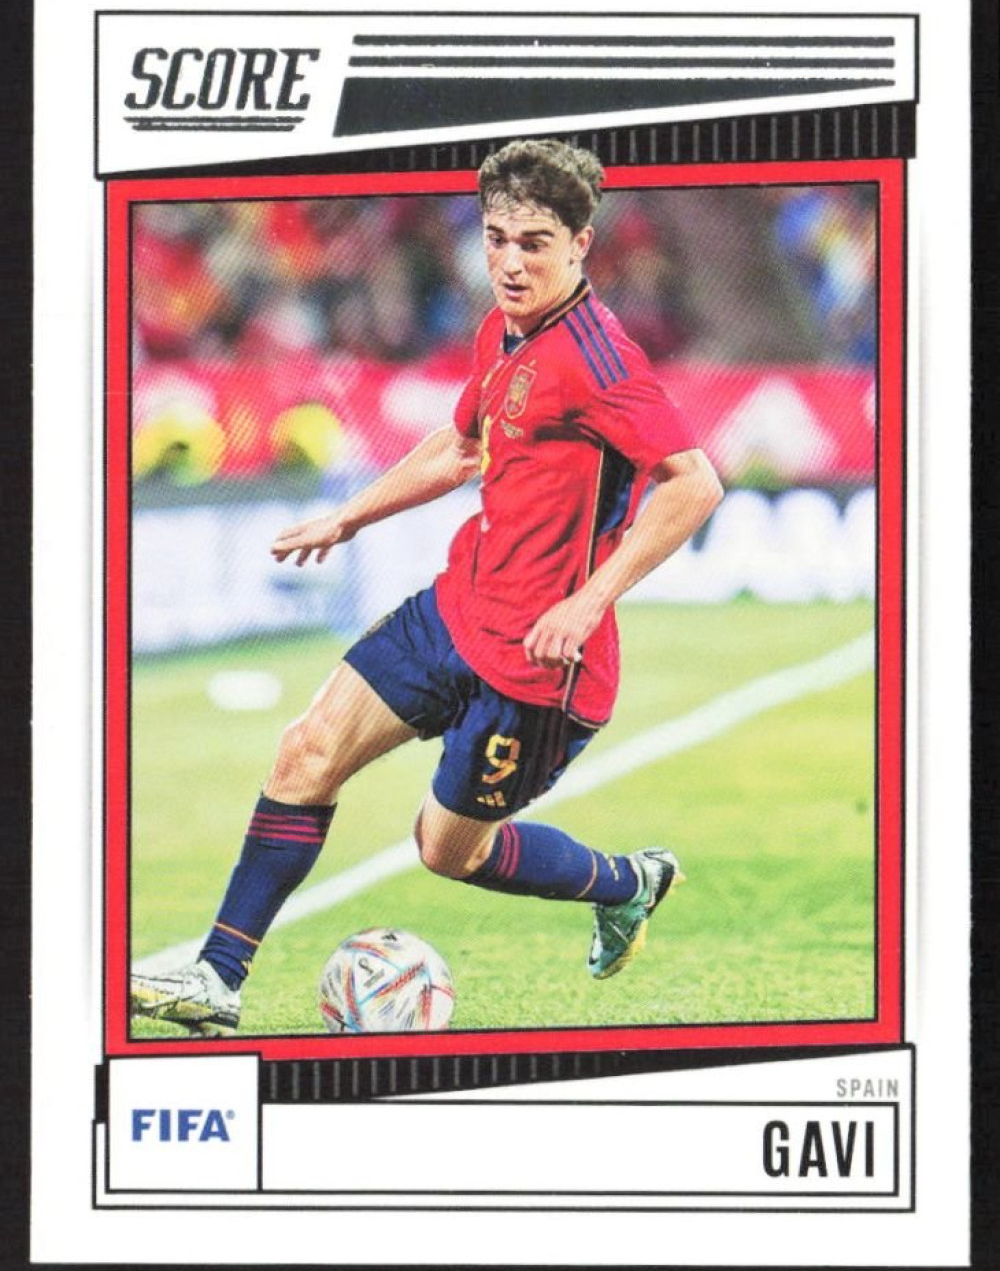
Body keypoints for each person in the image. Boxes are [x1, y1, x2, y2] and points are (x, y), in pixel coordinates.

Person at [130, 139, 723, 1036]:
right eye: (496, 240)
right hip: (457, 606)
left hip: (536, 668)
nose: (510, 263)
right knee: (306, 751)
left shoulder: (600, 361)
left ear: (581, 244)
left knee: (446, 850)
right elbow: (460, 446)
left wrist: (586, 601)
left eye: (534, 243)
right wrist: (349, 516)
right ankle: (217, 977)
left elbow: (694, 483)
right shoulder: (502, 329)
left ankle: (626, 881)